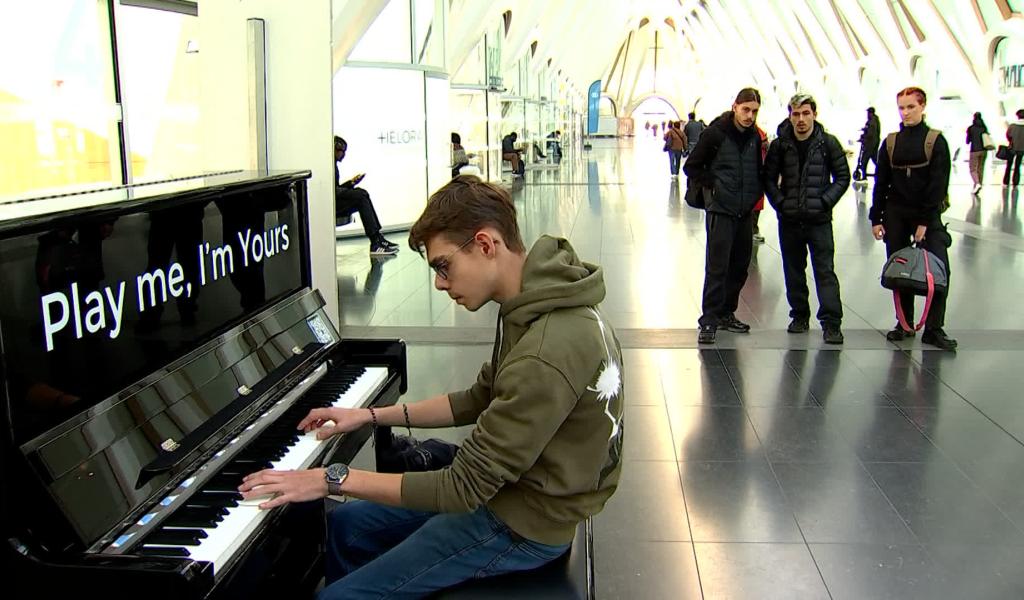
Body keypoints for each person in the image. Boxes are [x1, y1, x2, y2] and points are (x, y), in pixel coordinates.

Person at [238, 175, 625, 599]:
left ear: (485, 244)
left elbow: (461, 487)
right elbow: (477, 399)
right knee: (348, 528)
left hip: (524, 524)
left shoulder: (545, 348)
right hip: (513, 495)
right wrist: (367, 415)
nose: (440, 283)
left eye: (443, 266)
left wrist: (331, 479)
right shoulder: (533, 301)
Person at [869, 87, 956, 350]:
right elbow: (881, 181)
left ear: (923, 107)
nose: (906, 112)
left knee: (939, 270)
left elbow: (938, 183)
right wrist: (876, 217)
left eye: (911, 107)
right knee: (901, 268)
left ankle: (934, 327)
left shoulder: (935, 141)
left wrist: (926, 221)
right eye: (902, 107)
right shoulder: (891, 142)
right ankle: (904, 323)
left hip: (926, 215)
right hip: (896, 214)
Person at [764, 93, 851, 344]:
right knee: (793, 270)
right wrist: (780, 203)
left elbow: (842, 177)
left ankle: (831, 322)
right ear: (789, 115)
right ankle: (799, 315)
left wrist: (825, 201)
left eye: (805, 113)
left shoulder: (828, 143)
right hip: (790, 220)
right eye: (795, 114)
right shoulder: (780, 145)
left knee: (824, 271)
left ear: (814, 114)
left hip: (819, 221)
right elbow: (769, 178)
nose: (800, 119)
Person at [683, 87, 764, 344]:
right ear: (735, 106)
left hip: (744, 212)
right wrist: (714, 185)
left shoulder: (754, 137)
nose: (750, 115)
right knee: (717, 266)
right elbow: (691, 166)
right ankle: (709, 320)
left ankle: (727, 312)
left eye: (754, 111)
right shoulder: (715, 134)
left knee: (740, 266)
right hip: (721, 210)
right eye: (746, 109)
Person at [334, 136, 399, 255]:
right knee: (361, 196)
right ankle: (375, 241)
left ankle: (378, 237)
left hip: (335, 201)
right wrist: (353, 190)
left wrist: (351, 183)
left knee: (362, 196)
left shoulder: (333, 166)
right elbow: (333, 191)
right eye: (341, 151)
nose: (343, 155)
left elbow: (336, 189)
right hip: (332, 205)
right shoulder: (329, 167)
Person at [966, 112, 990, 194]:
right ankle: (979, 184)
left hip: (974, 150)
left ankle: (977, 183)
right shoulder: (984, 128)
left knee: (972, 169)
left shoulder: (971, 128)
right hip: (984, 151)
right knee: (981, 168)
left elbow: (967, 141)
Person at [855, 107, 881, 181]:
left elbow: (870, 134)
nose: (867, 114)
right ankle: (881, 172)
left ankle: (864, 176)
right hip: (874, 143)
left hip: (870, 144)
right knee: (875, 159)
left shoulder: (872, 122)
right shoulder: (875, 120)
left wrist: (863, 138)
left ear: (870, 113)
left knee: (864, 160)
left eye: (868, 113)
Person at [1003, 109, 1024, 186]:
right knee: (1017, 166)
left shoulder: (1012, 126)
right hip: (1022, 148)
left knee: (1009, 165)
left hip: (1012, 147)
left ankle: (1006, 181)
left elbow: (1008, 135)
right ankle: (1015, 182)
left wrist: (1011, 141)